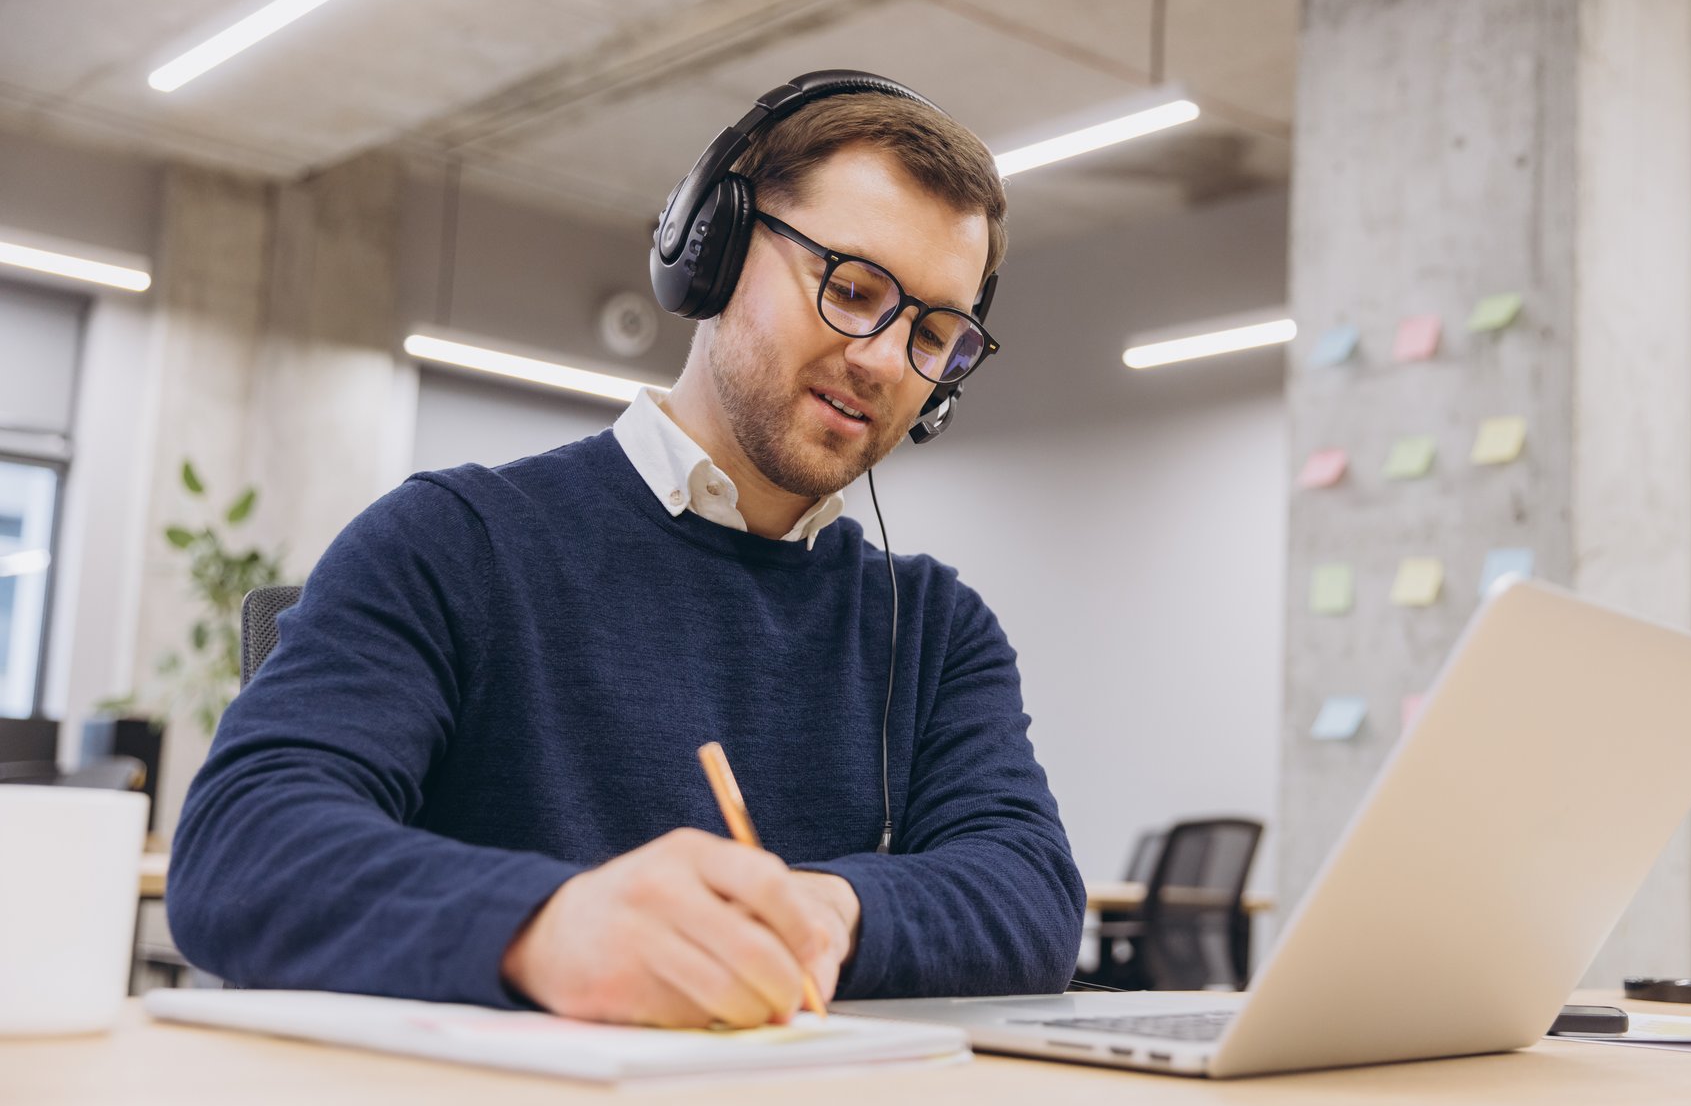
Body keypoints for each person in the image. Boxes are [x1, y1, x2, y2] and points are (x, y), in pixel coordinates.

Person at [167, 73, 1085, 1029]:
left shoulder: (934, 628)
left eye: (936, 335)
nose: (886, 362)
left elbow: (1029, 894)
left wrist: (827, 913)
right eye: (852, 290)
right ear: (715, 253)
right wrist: (548, 926)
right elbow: (244, 847)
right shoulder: (455, 542)